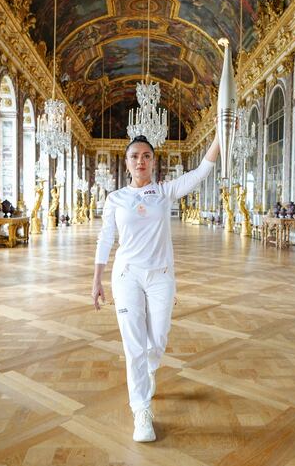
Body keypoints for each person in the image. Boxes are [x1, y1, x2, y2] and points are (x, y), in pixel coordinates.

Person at [92, 132, 220, 443]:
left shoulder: (164, 192)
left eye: (146, 156)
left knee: (157, 340)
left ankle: (150, 369)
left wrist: (220, 132)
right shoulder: (115, 199)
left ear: (153, 162)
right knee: (134, 345)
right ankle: (141, 410)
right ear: (127, 163)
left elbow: (202, 170)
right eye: (135, 156)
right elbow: (106, 238)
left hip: (161, 276)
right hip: (127, 276)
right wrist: (96, 278)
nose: (140, 161)